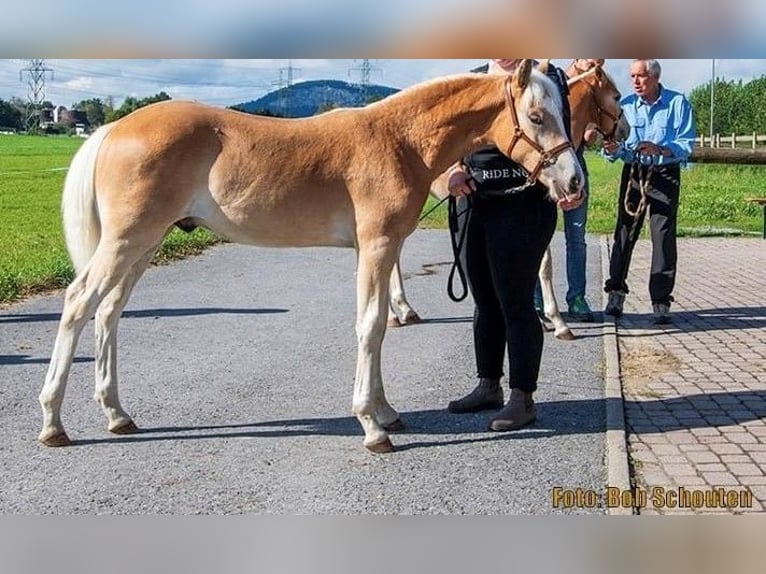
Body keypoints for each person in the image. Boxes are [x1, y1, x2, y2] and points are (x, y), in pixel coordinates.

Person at [446, 59, 583, 431]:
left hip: (523, 203)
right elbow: (449, 141)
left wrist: (568, 183)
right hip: (475, 201)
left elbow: (560, 135)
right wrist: (453, 172)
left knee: (516, 300)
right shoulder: (473, 79)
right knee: (484, 299)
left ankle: (523, 397)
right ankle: (487, 383)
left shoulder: (546, 79)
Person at [602, 59, 696, 324]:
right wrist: (612, 149)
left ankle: (661, 300)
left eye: (640, 76)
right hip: (634, 173)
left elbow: (686, 144)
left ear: (654, 77)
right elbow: (615, 145)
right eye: (632, 76)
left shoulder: (678, 104)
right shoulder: (626, 107)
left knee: (663, 235)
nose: (635, 81)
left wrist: (662, 150)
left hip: (665, 173)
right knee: (625, 231)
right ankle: (616, 293)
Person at [534, 58, 604, 323]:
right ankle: (536, 298)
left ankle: (577, 297)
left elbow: (599, 127)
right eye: (591, 58)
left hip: (574, 164)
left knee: (576, 236)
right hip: (544, 169)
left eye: (601, 61)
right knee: (539, 234)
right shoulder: (553, 79)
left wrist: (593, 131)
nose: (596, 64)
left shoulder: (591, 88)